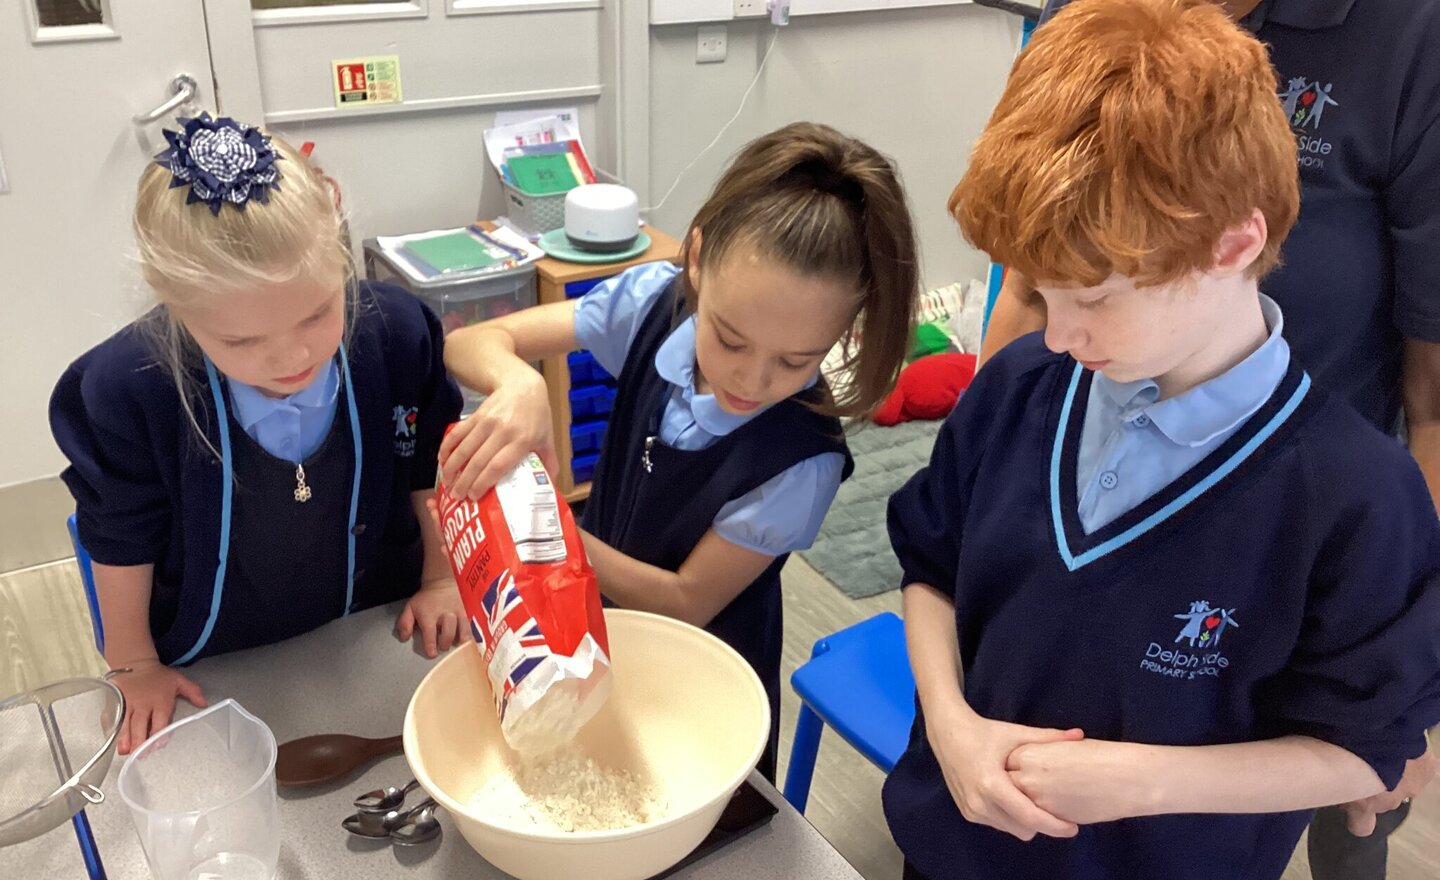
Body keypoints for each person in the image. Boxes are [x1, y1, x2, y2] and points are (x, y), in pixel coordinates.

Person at [883, 2, 1440, 877]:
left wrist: (1138, 781)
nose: (1056, 334)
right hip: (956, 846)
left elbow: (1362, 750)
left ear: (1235, 244)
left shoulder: (1353, 497)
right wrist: (952, 728)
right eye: (1042, 291)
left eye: (1096, 298)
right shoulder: (1022, 388)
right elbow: (931, 570)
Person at [439, 122, 920, 778]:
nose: (750, 381)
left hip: (703, 680)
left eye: (795, 360)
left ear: (847, 325)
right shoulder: (651, 306)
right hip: (588, 625)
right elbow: (470, 343)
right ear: (696, 259)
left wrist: (548, 532)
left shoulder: (801, 458)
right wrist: (516, 379)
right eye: (728, 338)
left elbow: (687, 600)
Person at [50, 114, 466, 754]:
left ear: (340, 258)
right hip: (215, 662)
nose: (290, 358)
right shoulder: (126, 391)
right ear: (176, 310)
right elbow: (118, 533)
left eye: (319, 312)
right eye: (240, 341)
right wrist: (133, 664)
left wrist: (440, 579)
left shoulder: (397, 334)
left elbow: (427, 473)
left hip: (369, 631)